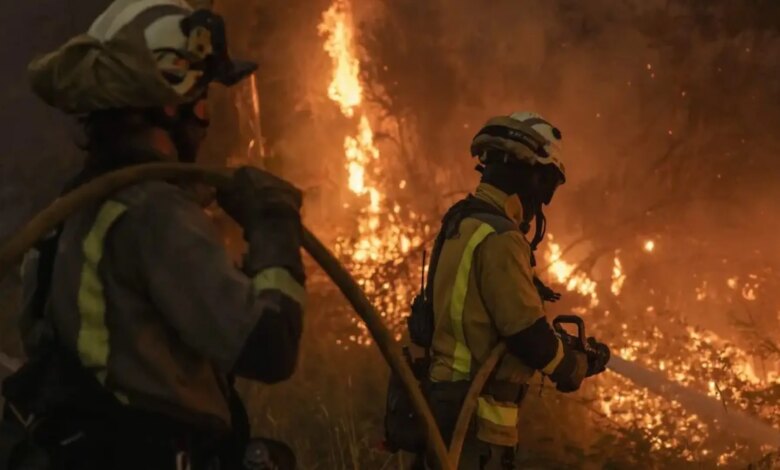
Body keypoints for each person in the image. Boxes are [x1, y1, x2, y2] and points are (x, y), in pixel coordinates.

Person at [0, 1, 304, 469]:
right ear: (168, 102)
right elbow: (270, 347)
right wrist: (274, 225)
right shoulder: (153, 215)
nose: (206, 117)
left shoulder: (74, 211)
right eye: (201, 97)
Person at [421, 112, 609, 469]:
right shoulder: (500, 238)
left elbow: (484, 318)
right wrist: (574, 366)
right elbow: (526, 334)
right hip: (473, 420)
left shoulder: (464, 221)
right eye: (548, 184)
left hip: (444, 404)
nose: (544, 200)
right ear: (531, 176)